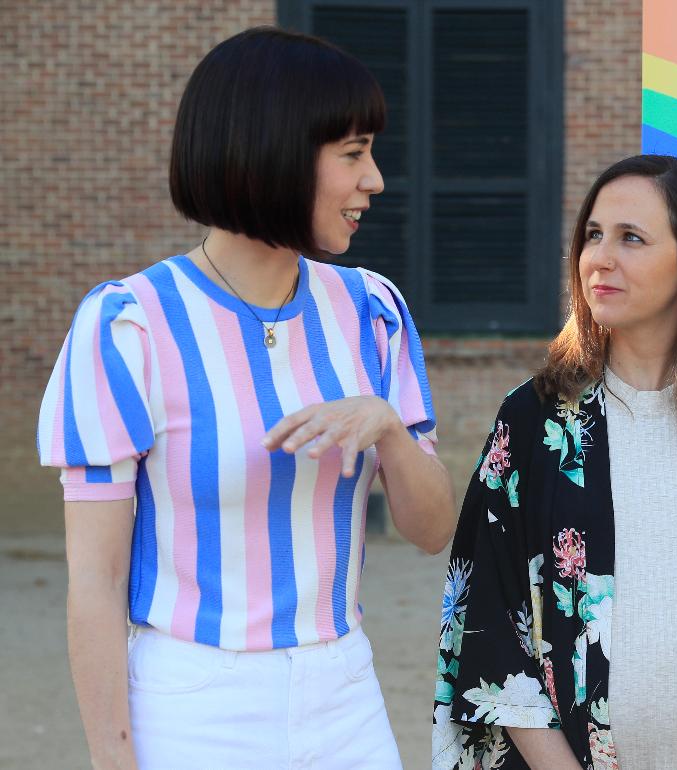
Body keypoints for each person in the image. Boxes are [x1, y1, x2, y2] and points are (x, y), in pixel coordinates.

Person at [36, 27, 455, 769]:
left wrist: (388, 428)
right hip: (190, 702)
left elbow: (431, 532)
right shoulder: (128, 325)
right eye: (353, 154)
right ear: (276, 151)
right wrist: (111, 757)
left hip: (345, 693)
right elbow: (94, 585)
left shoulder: (372, 311)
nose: (376, 180)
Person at [432, 155, 677, 770]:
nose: (599, 258)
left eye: (631, 238)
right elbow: (483, 615)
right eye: (593, 235)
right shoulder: (535, 422)